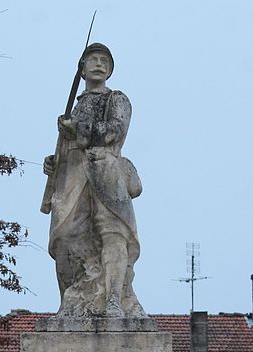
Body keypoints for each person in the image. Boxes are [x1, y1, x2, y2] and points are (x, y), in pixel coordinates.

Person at [42, 43, 145, 318]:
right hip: (72, 175)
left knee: (112, 233)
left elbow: (115, 131)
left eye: (104, 61)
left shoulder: (116, 99)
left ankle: (114, 299)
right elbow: (68, 147)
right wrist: (54, 162)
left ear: (110, 70)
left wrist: (79, 129)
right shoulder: (75, 108)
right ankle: (73, 300)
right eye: (93, 59)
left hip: (104, 168)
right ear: (83, 68)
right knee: (63, 237)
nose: (99, 64)